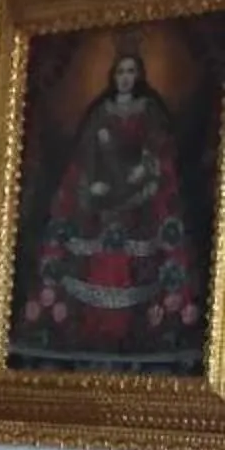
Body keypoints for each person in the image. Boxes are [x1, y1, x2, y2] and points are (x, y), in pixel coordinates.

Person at [22, 47, 198, 362]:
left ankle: (138, 333)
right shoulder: (101, 113)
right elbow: (85, 158)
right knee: (99, 263)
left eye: (130, 72)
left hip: (140, 200)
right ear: (112, 76)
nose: (125, 78)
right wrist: (95, 181)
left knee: (136, 263)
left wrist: (145, 168)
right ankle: (94, 333)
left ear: (139, 76)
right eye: (120, 72)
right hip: (102, 200)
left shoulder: (150, 111)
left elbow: (159, 150)